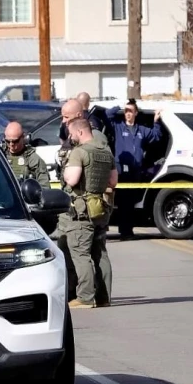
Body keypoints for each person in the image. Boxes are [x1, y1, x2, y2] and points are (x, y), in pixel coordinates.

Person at [54, 117, 116, 308]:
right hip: (100, 209)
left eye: (72, 134)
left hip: (81, 211)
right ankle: (104, 297)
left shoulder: (79, 152)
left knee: (80, 254)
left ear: (80, 132)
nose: (71, 137)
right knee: (100, 253)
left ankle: (85, 297)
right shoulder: (106, 152)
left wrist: (65, 170)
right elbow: (113, 182)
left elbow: (72, 180)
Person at [105, 99, 163, 239]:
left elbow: (156, 136)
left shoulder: (141, 130)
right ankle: (123, 231)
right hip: (120, 170)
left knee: (130, 203)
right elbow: (107, 115)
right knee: (121, 202)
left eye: (131, 111)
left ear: (136, 113)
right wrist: (119, 105)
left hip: (135, 171)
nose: (128, 114)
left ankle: (127, 231)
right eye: (126, 111)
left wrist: (156, 121)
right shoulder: (118, 127)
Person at [2, 121, 49, 185]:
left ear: (23, 137)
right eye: (7, 141)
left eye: (15, 141)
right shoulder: (0, 155)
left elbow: (44, 186)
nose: (11, 144)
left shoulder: (33, 159)